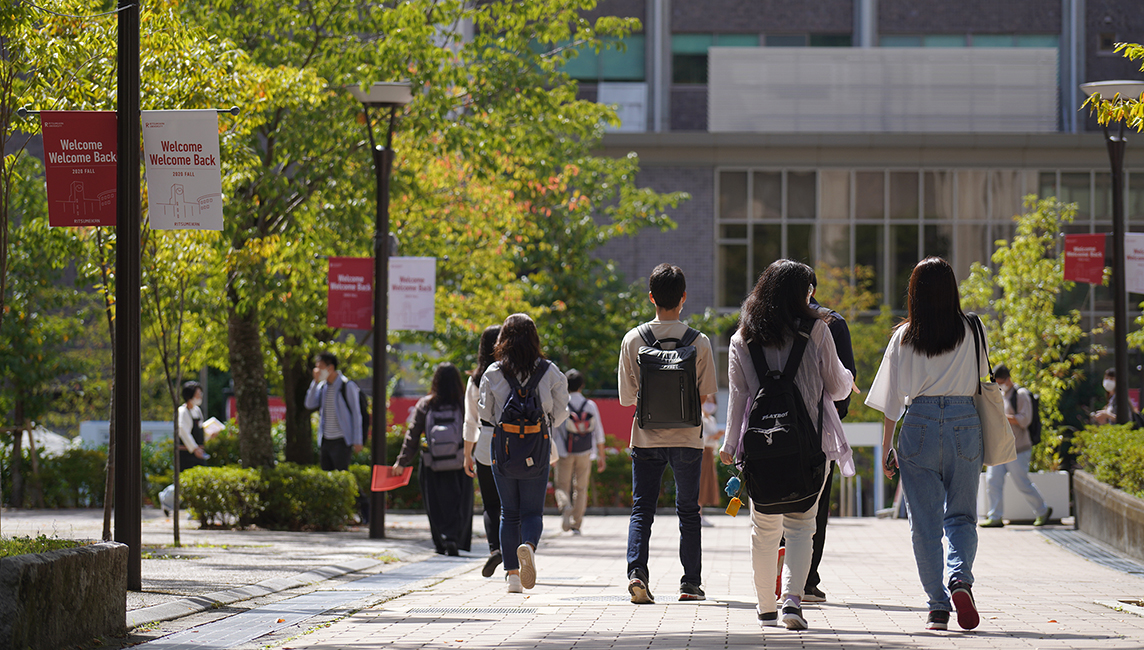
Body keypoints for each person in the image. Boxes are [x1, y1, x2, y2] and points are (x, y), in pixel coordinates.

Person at [719, 260, 856, 630]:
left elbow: (738, 398)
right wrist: (845, 376)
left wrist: (730, 445)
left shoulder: (742, 338)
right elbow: (839, 387)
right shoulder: (817, 331)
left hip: (761, 448)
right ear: (802, 294)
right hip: (810, 446)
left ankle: (765, 607)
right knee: (802, 526)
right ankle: (792, 601)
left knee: (763, 529)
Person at [865, 256, 987, 632]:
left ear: (914, 294)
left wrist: (887, 447)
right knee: (962, 516)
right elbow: (984, 378)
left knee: (925, 524)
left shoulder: (903, 336)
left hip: (917, 424)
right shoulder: (972, 328)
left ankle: (937, 607)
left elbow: (889, 401)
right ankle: (960, 580)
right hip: (965, 423)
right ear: (952, 290)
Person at [618, 263, 717, 604]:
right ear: (684, 298)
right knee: (688, 511)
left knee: (642, 509)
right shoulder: (699, 342)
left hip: (645, 437)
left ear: (651, 298)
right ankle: (690, 584)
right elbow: (706, 395)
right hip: (688, 438)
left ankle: (637, 573)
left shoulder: (633, 339)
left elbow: (626, 398)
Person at [478, 313, 569, 593]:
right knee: (532, 512)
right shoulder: (550, 371)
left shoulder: (493, 372)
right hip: (537, 447)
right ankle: (527, 546)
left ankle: (513, 577)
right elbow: (561, 411)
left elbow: (485, 413)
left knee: (509, 512)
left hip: (503, 449)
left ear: (503, 339)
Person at [802, 271, 857, 604]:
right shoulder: (832, 324)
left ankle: (773, 576)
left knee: (773, 503)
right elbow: (845, 385)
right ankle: (807, 579)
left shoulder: (764, 321)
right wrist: (834, 415)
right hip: (819, 429)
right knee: (817, 504)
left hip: (770, 430)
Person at [392, 363, 474, 556]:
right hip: (459, 462)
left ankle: (442, 541)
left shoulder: (426, 404)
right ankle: (455, 538)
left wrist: (401, 461)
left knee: (435, 504)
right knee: (460, 502)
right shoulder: (463, 403)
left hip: (432, 464)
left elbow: (412, 436)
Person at [980, 365, 1052, 528]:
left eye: (1000, 382)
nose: (999, 385)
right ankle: (995, 516)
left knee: (1022, 483)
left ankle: (1042, 511)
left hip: (1018, 448)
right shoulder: (1002, 395)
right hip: (1001, 447)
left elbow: (1025, 420)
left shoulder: (1021, 395)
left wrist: (1002, 417)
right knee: (993, 481)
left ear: (1008, 379)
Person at [463, 325, 505, 577]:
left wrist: (467, 453)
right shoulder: (513, 374)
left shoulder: (475, 379)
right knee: (513, 503)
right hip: (515, 444)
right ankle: (518, 548)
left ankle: (494, 549)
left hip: (485, 445)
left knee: (491, 504)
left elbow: (470, 421)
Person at [552, 369, 606, 535]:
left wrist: (552, 454)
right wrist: (601, 456)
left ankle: (565, 506)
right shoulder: (589, 405)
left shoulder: (561, 405)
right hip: (585, 451)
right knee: (581, 487)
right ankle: (576, 523)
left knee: (561, 485)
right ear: (582, 385)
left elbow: (553, 430)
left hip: (563, 452)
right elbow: (599, 432)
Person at [304, 352, 363, 472]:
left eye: (320, 367)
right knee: (327, 476)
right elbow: (309, 404)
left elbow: (356, 414)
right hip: (326, 439)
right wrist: (314, 383)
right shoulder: (322, 387)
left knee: (342, 474)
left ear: (330, 368)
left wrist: (357, 440)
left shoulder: (347, 386)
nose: (317, 371)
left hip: (342, 439)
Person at [698, 394, 723, 527]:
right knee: (701, 482)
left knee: (706, 482)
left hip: (709, 453)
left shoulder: (712, 419)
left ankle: (701, 513)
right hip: (702, 452)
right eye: (708, 401)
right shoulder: (700, 417)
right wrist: (714, 436)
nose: (710, 404)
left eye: (712, 401)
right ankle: (698, 513)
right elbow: (701, 436)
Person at [176, 381, 208, 471]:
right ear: (190, 396)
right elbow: (183, 431)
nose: (200, 397)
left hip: (200, 453)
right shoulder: (183, 411)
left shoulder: (197, 410)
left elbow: (200, 430)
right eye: (198, 394)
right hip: (187, 455)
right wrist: (194, 448)